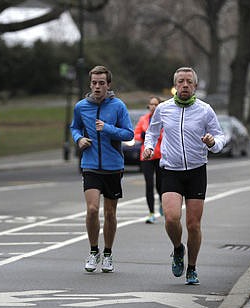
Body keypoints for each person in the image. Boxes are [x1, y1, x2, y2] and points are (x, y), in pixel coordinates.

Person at [143, 67, 227, 285]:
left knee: (193, 225)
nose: (185, 85)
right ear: (175, 86)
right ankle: (178, 248)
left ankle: (192, 267)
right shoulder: (163, 109)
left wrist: (212, 143)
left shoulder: (205, 110)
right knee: (171, 218)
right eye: (181, 81)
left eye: (189, 82)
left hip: (196, 171)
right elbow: (152, 133)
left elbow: (220, 137)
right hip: (170, 169)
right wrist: (149, 147)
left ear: (195, 86)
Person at [71, 65, 134, 273]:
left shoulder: (118, 106)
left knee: (110, 213)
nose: (97, 87)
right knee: (91, 210)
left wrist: (106, 128)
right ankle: (93, 250)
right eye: (94, 83)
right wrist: (79, 139)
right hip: (90, 165)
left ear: (108, 85)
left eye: (101, 83)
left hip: (113, 166)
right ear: (90, 84)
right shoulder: (81, 106)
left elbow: (128, 134)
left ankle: (107, 253)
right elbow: (74, 127)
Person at [134, 96, 163, 224]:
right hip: (146, 156)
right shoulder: (143, 119)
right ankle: (151, 212)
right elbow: (135, 134)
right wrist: (142, 135)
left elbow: (166, 135)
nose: (153, 107)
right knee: (149, 184)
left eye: (156, 104)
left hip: (161, 155)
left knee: (160, 184)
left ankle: (163, 203)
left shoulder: (164, 118)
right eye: (151, 104)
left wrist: (154, 135)